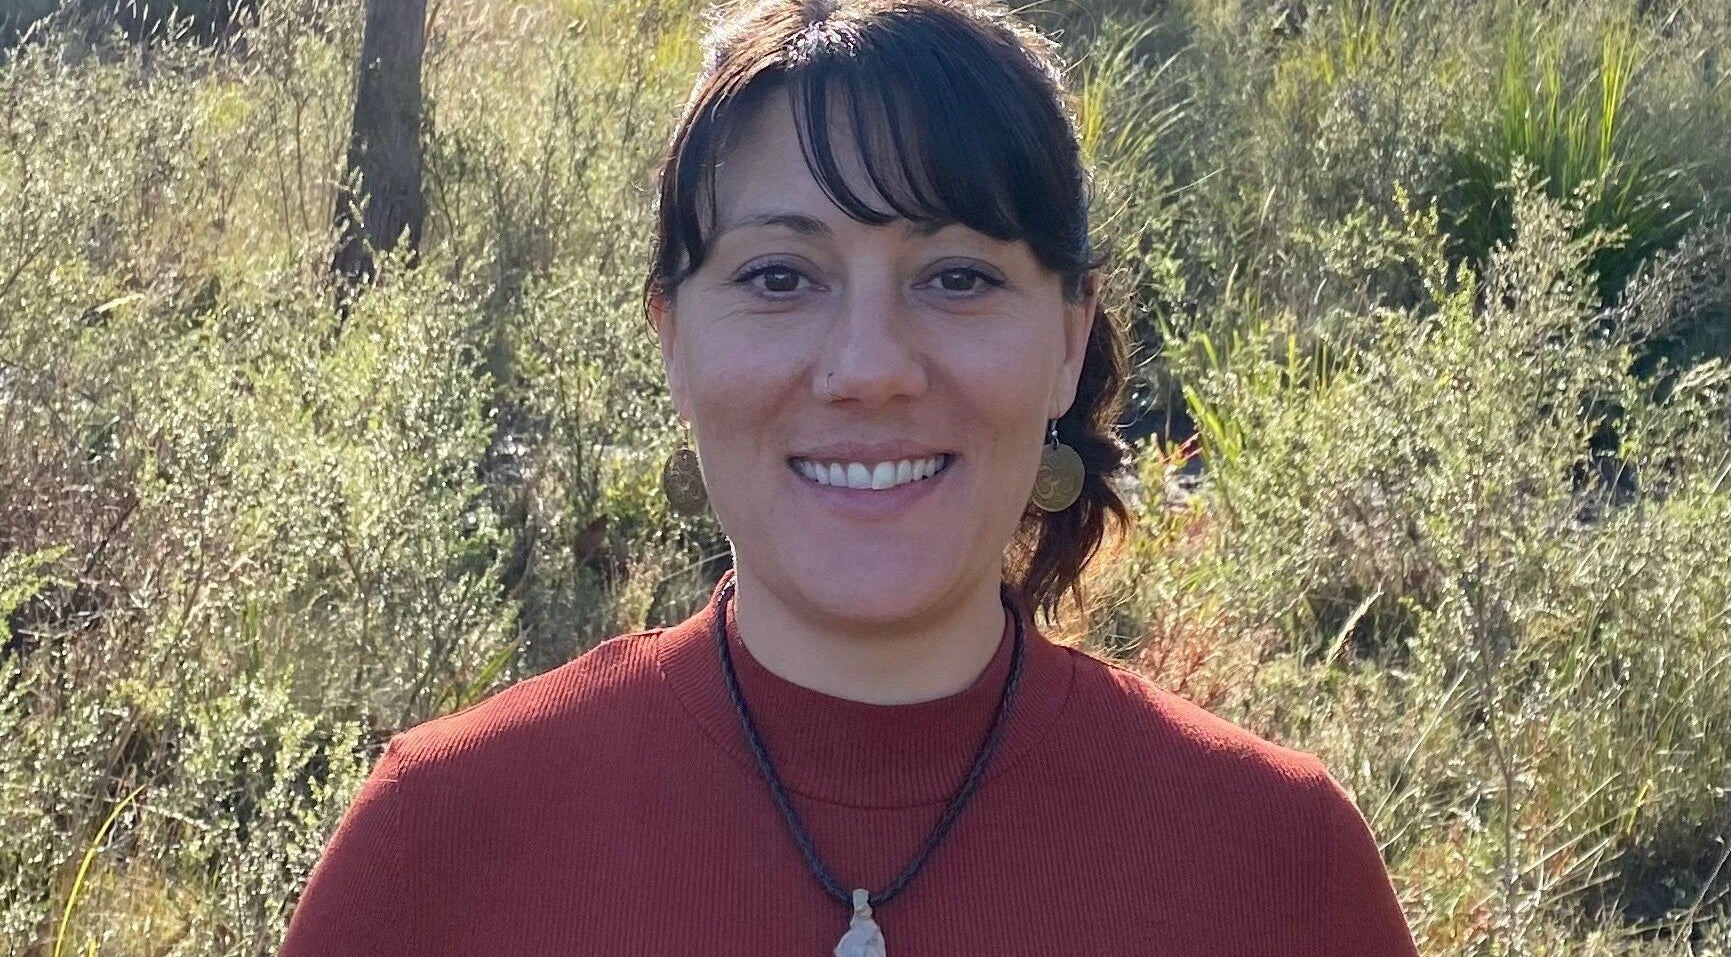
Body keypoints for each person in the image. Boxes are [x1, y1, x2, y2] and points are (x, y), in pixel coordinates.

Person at [277, 1, 1423, 954]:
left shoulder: (1281, 867)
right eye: (781, 277)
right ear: (672, 338)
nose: (870, 369)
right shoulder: (441, 841)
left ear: (1069, 339)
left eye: (959, 276)